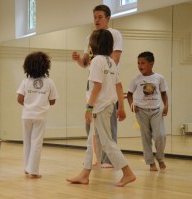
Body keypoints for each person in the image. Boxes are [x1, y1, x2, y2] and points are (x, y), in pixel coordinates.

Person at [67, 29, 136, 187]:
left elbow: (97, 86)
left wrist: (89, 107)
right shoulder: (111, 61)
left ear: (95, 44)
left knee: (106, 142)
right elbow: (119, 86)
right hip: (108, 106)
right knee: (92, 142)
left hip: (99, 108)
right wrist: (121, 107)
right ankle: (85, 174)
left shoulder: (97, 61)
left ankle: (127, 173)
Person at [72, 4, 123, 168]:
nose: (97, 20)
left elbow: (115, 58)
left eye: (100, 17)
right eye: (95, 17)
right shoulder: (90, 38)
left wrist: (102, 68)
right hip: (94, 81)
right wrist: (79, 60)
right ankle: (94, 158)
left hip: (106, 82)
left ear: (108, 18)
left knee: (108, 127)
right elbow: (86, 63)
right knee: (91, 127)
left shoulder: (114, 34)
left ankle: (109, 160)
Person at [17, 51, 59, 179]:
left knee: (27, 142)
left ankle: (26, 168)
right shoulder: (49, 82)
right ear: (45, 65)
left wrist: (29, 104)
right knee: (37, 143)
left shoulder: (25, 81)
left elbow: (19, 99)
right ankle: (33, 171)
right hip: (40, 116)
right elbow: (53, 101)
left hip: (26, 115)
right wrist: (41, 101)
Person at [127, 51, 168, 171]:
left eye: (143, 63)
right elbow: (129, 94)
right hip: (141, 112)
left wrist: (166, 106)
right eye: (138, 63)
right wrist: (131, 105)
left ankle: (160, 158)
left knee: (160, 135)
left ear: (151, 64)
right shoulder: (136, 79)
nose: (140, 65)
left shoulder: (159, 78)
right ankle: (151, 163)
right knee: (146, 137)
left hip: (156, 111)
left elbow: (164, 93)